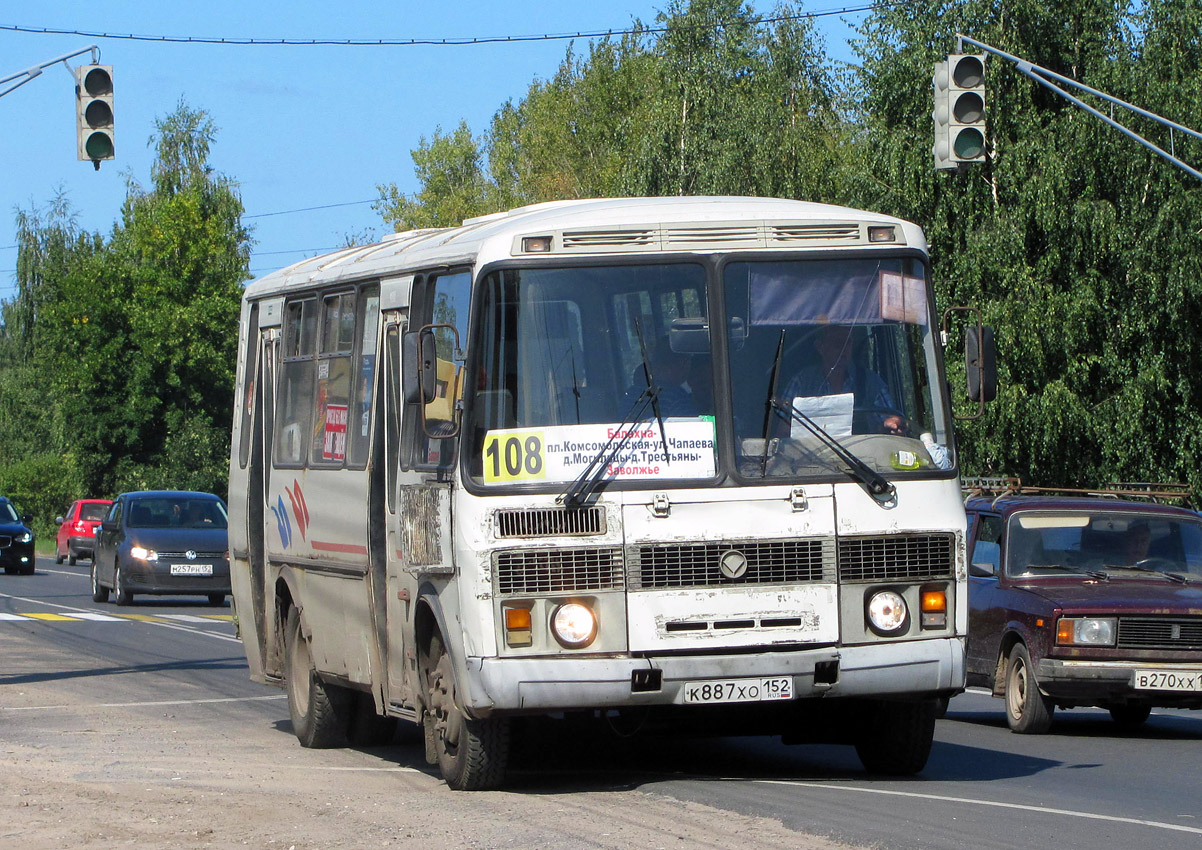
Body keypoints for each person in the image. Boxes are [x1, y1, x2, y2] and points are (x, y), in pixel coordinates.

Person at [780, 324, 904, 435]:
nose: (844, 349)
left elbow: (890, 422)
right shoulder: (801, 383)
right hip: (810, 459)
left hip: (863, 459)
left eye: (848, 342)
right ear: (820, 347)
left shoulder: (871, 383)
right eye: (837, 343)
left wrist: (891, 425)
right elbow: (782, 432)